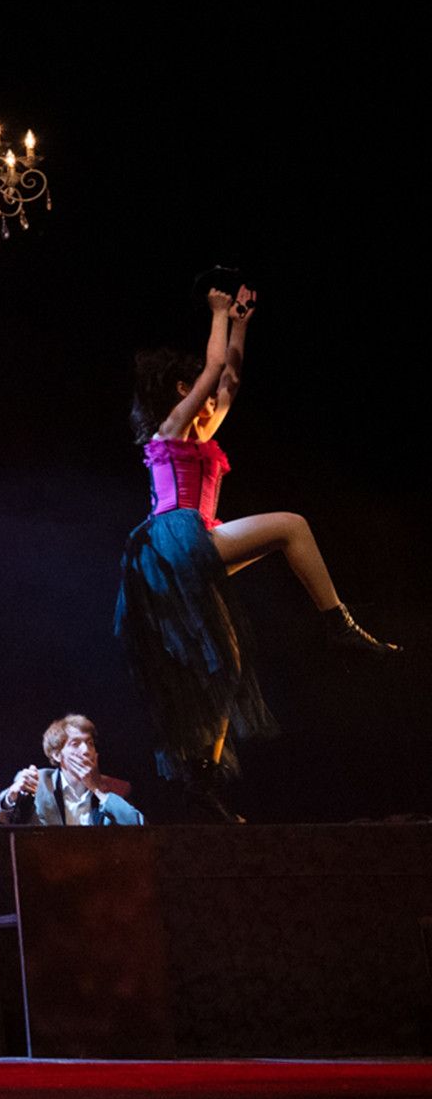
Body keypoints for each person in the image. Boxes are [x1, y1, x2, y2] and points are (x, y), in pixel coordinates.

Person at [116, 273, 397, 821]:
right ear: (179, 391)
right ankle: (337, 623)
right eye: (196, 390)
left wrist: (242, 326)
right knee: (291, 525)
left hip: (188, 547)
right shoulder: (169, 430)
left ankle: (202, 775)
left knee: (228, 660)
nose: (209, 400)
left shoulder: (199, 436)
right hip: (172, 541)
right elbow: (214, 372)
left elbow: (229, 381)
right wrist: (218, 312)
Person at [0, 714, 144, 826]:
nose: (86, 751)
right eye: (75, 744)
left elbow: (139, 828)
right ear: (57, 755)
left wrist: (98, 790)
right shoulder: (39, 781)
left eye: (90, 743)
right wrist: (11, 797)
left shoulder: (117, 787)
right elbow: (2, 816)